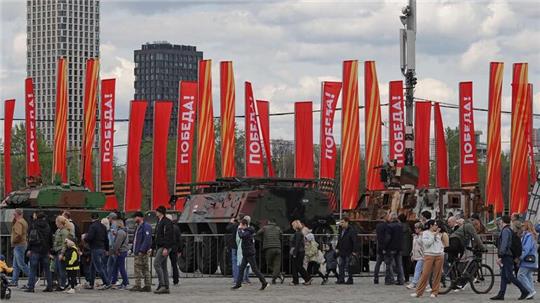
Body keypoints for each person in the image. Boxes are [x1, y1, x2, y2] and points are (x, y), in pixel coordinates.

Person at [490, 215, 530, 300]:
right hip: (507, 255)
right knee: (504, 276)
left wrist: (500, 256)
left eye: (500, 221)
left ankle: (524, 291)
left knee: (509, 276)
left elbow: (504, 244)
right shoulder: (509, 230)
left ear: (502, 221)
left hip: (507, 256)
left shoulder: (505, 231)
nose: (499, 223)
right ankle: (501, 294)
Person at [231, 218, 268, 290]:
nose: (240, 226)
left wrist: (238, 229)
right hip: (246, 253)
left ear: (245, 225)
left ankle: (264, 282)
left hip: (249, 253)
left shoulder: (248, 231)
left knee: (255, 270)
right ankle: (238, 284)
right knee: (241, 269)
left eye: (241, 224)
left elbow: (242, 236)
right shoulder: (246, 230)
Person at [411, 220, 445, 298]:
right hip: (429, 254)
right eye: (435, 225)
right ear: (431, 226)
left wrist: (441, 250)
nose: (437, 226)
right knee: (425, 274)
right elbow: (427, 243)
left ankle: (434, 292)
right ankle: (419, 292)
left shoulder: (438, 234)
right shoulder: (426, 233)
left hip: (439, 255)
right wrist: (434, 235)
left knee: (437, 275)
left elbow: (440, 243)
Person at [24, 212, 53, 292]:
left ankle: (31, 287)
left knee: (33, 269)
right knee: (47, 269)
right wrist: (50, 250)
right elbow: (50, 239)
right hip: (45, 251)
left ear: (37, 217)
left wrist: (29, 249)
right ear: (44, 218)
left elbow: (30, 239)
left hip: (35, 249)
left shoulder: (33, 225)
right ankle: (50, 286)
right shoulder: (47, 226)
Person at [84, 213, 111, 290]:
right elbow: (106, 239)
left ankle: (107, 283)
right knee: (92, 267)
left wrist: (85, 238)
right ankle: (91, 283)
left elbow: (90, 237)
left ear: (91, 218)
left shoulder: (92, 226)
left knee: (99, 268)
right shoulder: (103, 226)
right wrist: (107, 249)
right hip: (102, 248)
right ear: (98, 218)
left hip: (95, 248)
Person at [129, 212, 152, 292]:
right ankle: (146, 285)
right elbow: (135, 239)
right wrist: (132, 249)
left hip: (142, 251)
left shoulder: (146, 226)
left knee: (140, 268)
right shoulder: (138, 227)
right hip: (138, 251)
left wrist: (141, 250)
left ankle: (139, 285)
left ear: (140, 217)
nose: (134, 219)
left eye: (135, 217)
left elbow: (147, 239)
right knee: (143, 268)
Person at [256, 219, 283, 284]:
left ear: (268, 222)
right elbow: (281, 234)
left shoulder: (265, 228)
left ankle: (278, 275)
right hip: (278, 248)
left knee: (269, 264)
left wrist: (262, 238)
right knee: (277, 264)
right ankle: (276, 277)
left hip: (269, 248)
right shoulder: (278, 228)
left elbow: (258, 233)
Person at [153, 206, 173, 294]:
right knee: (163, 266)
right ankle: (166, 286)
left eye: (157, 211)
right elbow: (157, 235)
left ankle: (162, 285)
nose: (156, 212)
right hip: (159, 246)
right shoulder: (159, 221)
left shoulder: (167, 222)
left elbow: (168, 235)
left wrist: (166, 248)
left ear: (161, 212)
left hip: (164, 246)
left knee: (156, 264)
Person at [517, 221, 537, 300]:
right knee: (528, 276)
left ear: (526, 226)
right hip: (531, 260)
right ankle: (531, 292)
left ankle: (530, 291)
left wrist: (520, 257)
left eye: (523, 225)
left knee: (520, 275)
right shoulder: (531, 235)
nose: (522, 227)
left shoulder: (528, 236)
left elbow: (526, 249)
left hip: (527, 260)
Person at [9, 209, 29, 287]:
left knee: (21, 264)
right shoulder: (24, 221)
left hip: (19, 245)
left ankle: (32, 278)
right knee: (16, 265)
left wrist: (13, 241)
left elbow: (18, 234)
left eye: (14, 214)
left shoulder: (18, 222)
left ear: (16, 214)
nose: (13, 216)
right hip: (21, 244)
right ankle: (14, 280)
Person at [289, 220, 312, 286]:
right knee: (297, 267)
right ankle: (297, 280)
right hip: (300, 251)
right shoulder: (299, 233)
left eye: (293, 225)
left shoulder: (298, 233)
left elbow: (297, 244)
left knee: (298, 266)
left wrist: (294, 253)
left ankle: (307, 278)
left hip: (298, 252)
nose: (292, 226)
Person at [384, 212, 405, 285]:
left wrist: (385, 246)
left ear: (391, 218)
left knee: (389, 264)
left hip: (391, 247)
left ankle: (390, 279)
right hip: (399, 247)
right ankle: (401, 279)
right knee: (399, 264)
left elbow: (388, 238)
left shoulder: (389, 226)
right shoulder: (400, 226)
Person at [336, 217, 357, 285]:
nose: (341, 224)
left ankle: (350, 279)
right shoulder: (341, 230)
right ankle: (341, 279)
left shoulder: (351, 230)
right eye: (341, 222)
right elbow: (340, 239)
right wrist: (337, 248)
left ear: (347, 222)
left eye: (342, 222)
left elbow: (354, 241)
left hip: (349, 251)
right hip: (342, 251)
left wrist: (354, 250)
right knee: (341, 265)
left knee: (348, 266)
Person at [52, 216, 71, 291]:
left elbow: (64, 243)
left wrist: (62, 254)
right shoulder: (58, 230)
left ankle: (63, 284)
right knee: (56, 269)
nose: (55, 223)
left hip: (61, 252)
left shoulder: (64, 232)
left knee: (61, 269)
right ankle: (60, 283)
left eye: (56, 222)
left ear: (59, 222)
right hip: (57, 251)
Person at [407, 222, 426, 290]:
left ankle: (414, 283)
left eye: (417, 228)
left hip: (422, 255)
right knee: (422, 270)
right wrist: (412, 253)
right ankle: (426, 284)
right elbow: (414, 246)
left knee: (418, 269)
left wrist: (417, 237)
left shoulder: (423, 235)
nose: (415, 229)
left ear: (420, 228)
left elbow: (422, 244)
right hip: (417, 255)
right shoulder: (416, 236)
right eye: (415, 228)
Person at [111, 219, 129, 290]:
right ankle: (114, 282)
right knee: (116, 267)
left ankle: (125, 282)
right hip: (122, 251)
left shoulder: (120, 232)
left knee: (121, 268)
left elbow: (117, 243)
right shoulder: (123, 231)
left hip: (120, 251)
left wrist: (115, 250)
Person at [235, 216, 251, 284]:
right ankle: (246, 278)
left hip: (241, 247)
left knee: (242, 264)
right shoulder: (250, 228)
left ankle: (243, 278)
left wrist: (238, 245)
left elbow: (237, 239)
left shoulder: (240, 228)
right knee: (248, 264)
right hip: (248, 247)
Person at [373, 213, 389, 284]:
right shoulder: (386, 226)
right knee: (388, 263)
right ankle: (387, 278)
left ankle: (376, 277)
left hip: (379, 246)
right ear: (384, 217)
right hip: (385, 246)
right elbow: (387, 237)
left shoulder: (378, 226)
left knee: (378, 263)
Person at [399, 214, 413, 283]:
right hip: (408, 248)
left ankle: (401, 278)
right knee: (406, 264)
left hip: (400, 248)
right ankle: (407, 278)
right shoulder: (408, 227)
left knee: (400, 264)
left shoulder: (399, 227)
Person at [169, 215, 182, 286]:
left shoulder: (167, 227)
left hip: (167, 247)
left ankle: (163, 280)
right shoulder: (176, 228)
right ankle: (176, 280)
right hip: (174, 248)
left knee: (162, 264)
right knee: (174, 265)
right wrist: (180, 250)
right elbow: (179, 240)